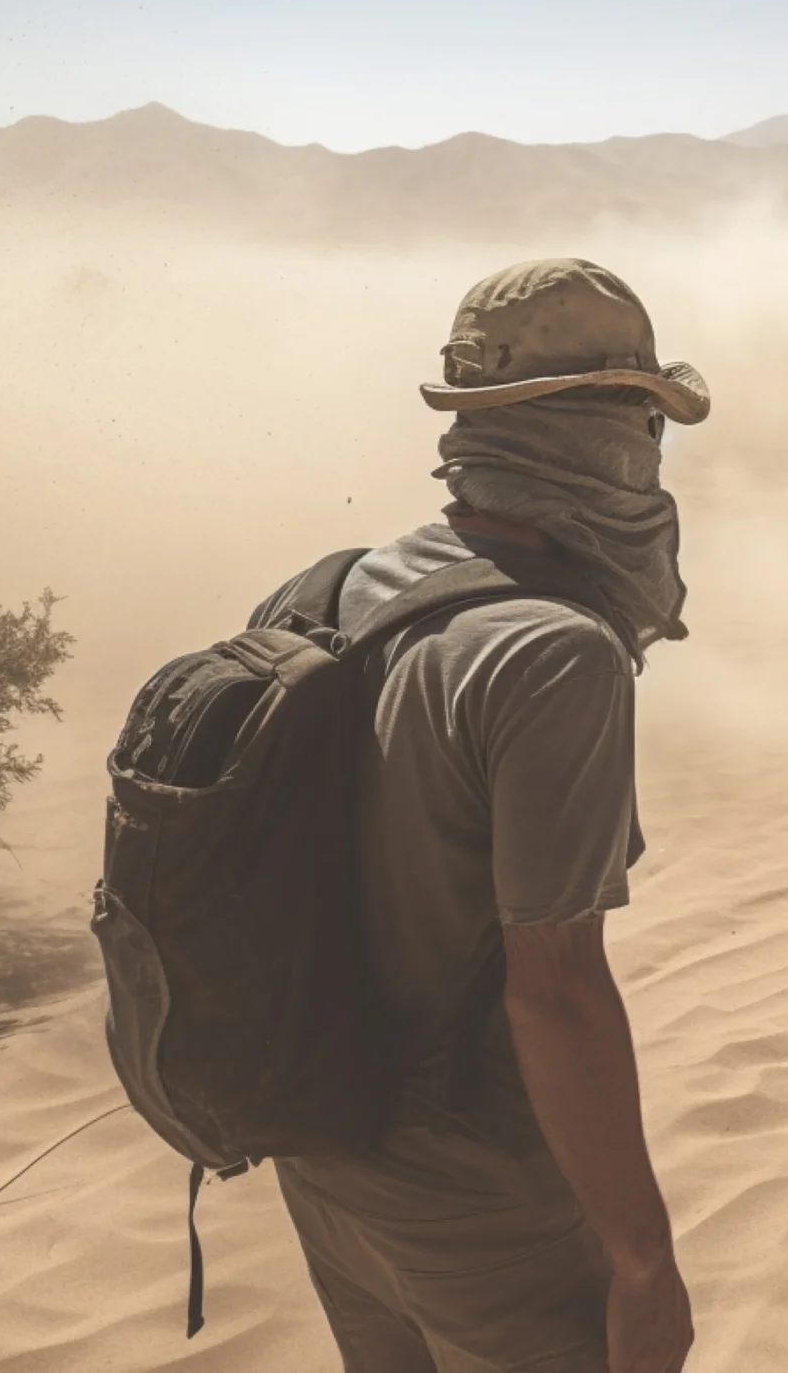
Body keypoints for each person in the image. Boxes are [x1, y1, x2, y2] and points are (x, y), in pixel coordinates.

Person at [248, 258, 707, 1373]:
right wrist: (643, 1262)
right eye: (646, 419)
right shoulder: (553, 652)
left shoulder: (321, 592)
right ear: (608, 426)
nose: (651, 453)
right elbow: (554, 992)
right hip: (477, 1205)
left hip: (323, 1163)